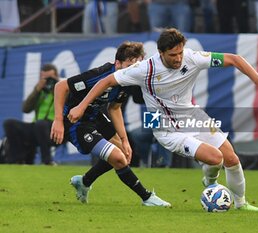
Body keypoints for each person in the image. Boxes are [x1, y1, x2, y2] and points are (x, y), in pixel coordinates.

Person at [64, 28, 258, 211]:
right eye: (172, 55)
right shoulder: (145, 68)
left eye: (180, 53)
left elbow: (235, 59)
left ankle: (241, 204)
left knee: (232, 158)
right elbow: (105, 82)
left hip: (193, 116)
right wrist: (82, 106)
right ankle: (210, 183)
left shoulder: (192, 58)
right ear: (160, 53)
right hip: (165, 127)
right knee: (215, 158)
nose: (178, 58)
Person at [50, 41, 170, 207]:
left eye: (137, 66)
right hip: (75, 121)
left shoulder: (127, 80)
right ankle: (147, 197)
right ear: (117, 63)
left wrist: (124, 139)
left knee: (123, 152)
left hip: (95, 117)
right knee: (118, 158)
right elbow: (60, 86)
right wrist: (58, 120)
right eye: (129, 65)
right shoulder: (101, 75)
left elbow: (114, 108)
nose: (133, 70)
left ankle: (84, 182)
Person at [2, 64, 59, 165]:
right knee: (9, 123)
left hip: (55, 129)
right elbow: (25, 109)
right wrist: (37, 90)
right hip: (37, 127)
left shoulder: (63, 90)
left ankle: (47, 161)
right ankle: (17, 159)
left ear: (56, 76)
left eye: (50, 78)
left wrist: (55, 88)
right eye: (44, 78)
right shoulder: (40, 91)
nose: (48, 80)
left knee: (41, 124)